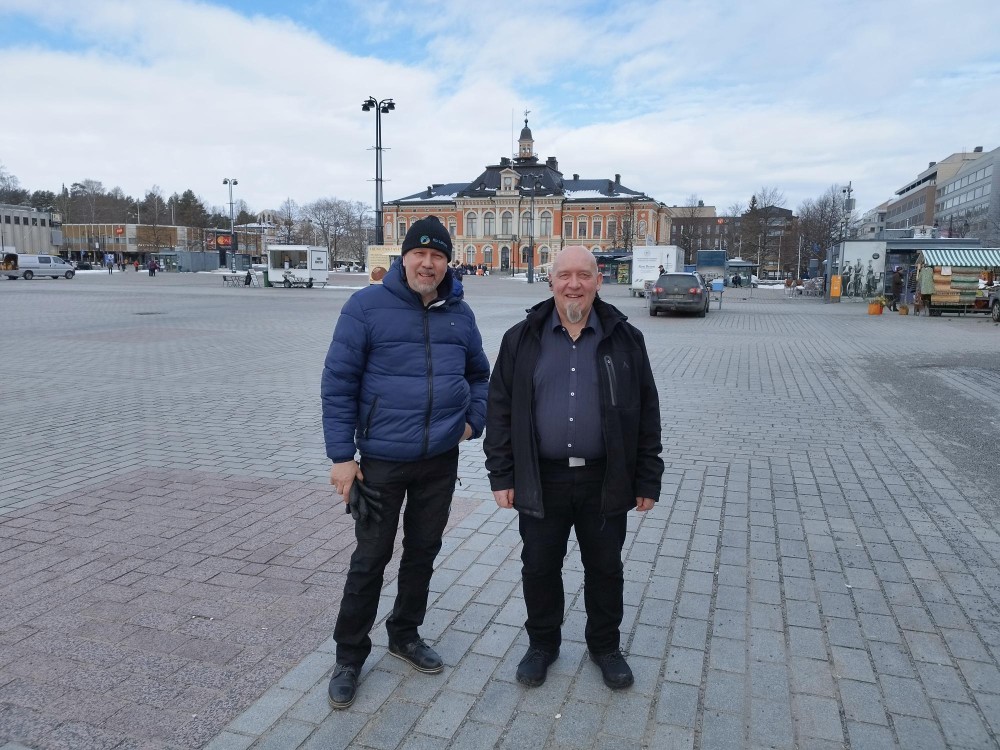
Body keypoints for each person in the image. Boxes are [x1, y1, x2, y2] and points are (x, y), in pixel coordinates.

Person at [321, 216, 490, 710]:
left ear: (447, 261)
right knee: (370, 558)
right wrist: (341, 457)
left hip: (440, 459)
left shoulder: (460, 313)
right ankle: (349, 655)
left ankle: (405, 632)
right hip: (380, 461)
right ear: (404, 256)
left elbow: (481, 376)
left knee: (422, 551)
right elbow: (338, 384)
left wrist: (470, 424)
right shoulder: (366, 307)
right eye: (420, 253)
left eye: (438, 255)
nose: (428, 263)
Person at [484, 245, 663, 691]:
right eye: (564, 275)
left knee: (605, 568)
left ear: (598, 279)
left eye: (583, 275)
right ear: (551, 280)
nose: (574, 284)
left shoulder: (625, 338)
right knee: (539, 567)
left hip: (606, 477)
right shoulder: (521, 338)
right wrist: (502, 475)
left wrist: (647, 477)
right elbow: (500, 410)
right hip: (542, 478)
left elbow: (646, 413)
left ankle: (604, 646)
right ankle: (542, 644)